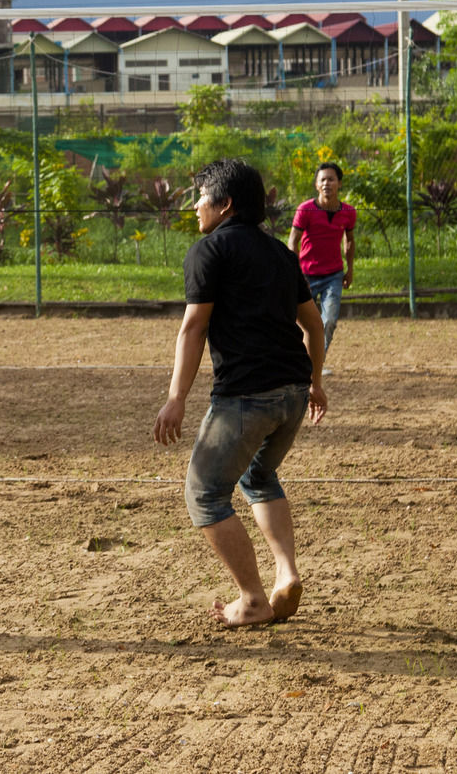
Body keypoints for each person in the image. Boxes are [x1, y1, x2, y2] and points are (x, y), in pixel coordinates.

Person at [154, 158, 329, 628]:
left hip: (246, 397)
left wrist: (176, 398)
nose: (195, 205)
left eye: (202, 195)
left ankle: (252, 598)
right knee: (258, 475)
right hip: (292, 394)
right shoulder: (281, 254)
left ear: (225, 204)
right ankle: (286, 573)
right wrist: (314, 383)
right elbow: (313, 326)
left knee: (204, 493)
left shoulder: (209, 251)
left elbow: (193, 328)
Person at [288, 160, 355, 367]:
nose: (327, 183)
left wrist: (350, 270)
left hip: (333, 275)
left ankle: (315, 363)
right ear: (317, 185)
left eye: (331, 179)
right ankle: (298, 360)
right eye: (323, 180)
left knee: (329, 321)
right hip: (306, 274)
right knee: (299, 323)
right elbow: (293, 241)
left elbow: (350, 240)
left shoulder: (349, 212)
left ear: (339, 183)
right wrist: (296, 274)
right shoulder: (305, 210)